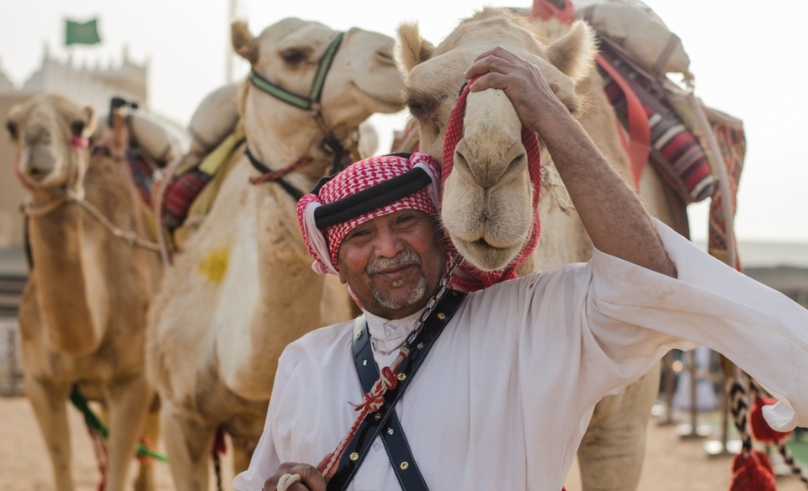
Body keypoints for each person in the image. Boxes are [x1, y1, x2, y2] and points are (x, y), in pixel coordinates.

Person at [233, 48, 808, 491]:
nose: (387, 249)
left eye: (404, 224)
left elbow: (648, 279)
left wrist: (550, 117)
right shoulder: (304, 364)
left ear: (440, 226)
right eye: (360, 235)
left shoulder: (534, 323)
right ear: (335, 260)